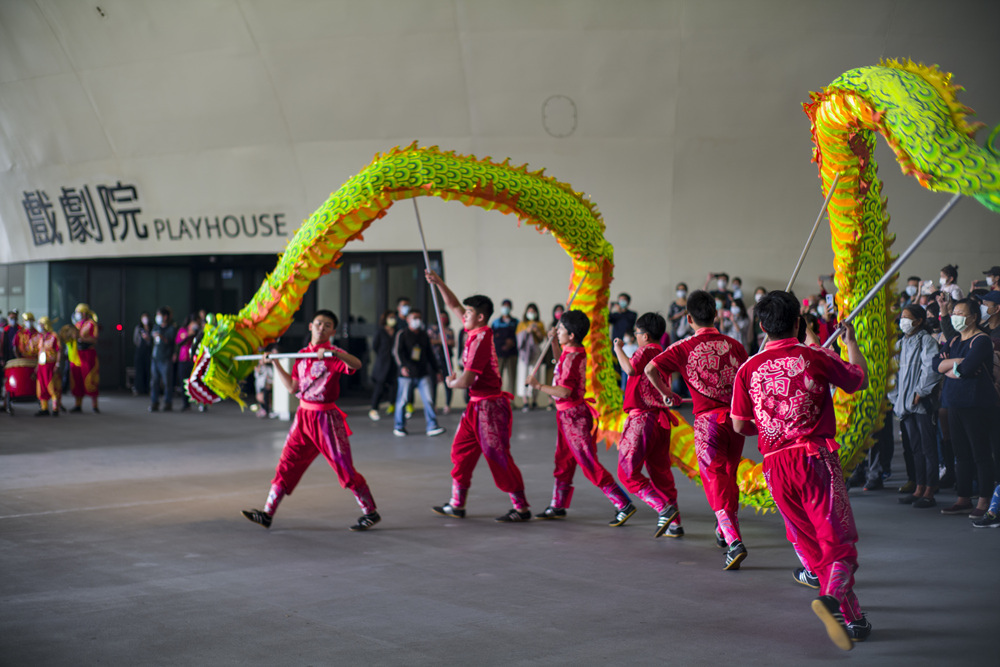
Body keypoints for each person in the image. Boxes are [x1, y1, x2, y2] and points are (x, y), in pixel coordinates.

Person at [730, 290, 871, 650]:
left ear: (762, 326)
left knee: (809, 544)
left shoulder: (748, 368)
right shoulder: (814, 356)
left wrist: (768, 426)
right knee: (838, 544)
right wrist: (851, 342)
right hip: (815, 460)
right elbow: (857, 379)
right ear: (799, 323)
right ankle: (830, 600)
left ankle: (855, 619)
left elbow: (739, 425)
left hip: (776, 466)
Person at [242, 310, 380, 531]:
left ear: (333, 331)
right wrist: (275, 363)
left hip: (326, 420)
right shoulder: (302, 355)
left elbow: (356, 365)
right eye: (318, 323)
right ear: (310, 326)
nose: (321, 328)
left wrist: (334, 354)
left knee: (344, 468)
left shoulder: (333, 355)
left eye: (327, 325)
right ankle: (267, 513)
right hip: (303, 417)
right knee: (287, 463)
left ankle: (370, 512)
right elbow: (292, 388)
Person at [647, 291, 750, 569]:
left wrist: (667, 393)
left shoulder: (683, 347)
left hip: (708, 423)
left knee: (714, 479)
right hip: (735, 421)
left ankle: (733, 540)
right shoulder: (734, 345)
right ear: (715, 315)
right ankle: (723, 530)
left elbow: (650, 369)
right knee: (729, 475)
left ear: (689, 318)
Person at [425, 269, 531, 522]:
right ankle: (457, 504)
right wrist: (439, 282)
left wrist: (451, 384)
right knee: (460, 450)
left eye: (469, 313)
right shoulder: (472, 329)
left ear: (480, 317)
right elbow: (453, 305)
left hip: (491, 407)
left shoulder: (483, 338)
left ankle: (521, 507)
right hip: (475, 406)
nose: (464, 315)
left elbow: (469, 379)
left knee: (497, 454)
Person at [528, 310, 633, 522]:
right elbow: (561, 362)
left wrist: (539, 385)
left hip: (574, 418)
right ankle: (558, 505)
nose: (557, 332)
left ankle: (623, 502)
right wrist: (555, 343)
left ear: (572, 335)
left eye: (561, 330)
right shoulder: (572, 351)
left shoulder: (573, 356)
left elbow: (564, 391)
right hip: (566, 416)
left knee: (587, 462)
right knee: (563, 460)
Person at [614, 312, 683, 537]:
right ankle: (675, 524)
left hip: (642, 419)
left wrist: (618, 349)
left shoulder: (644, 351)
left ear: (644, 335)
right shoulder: (664, 353)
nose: (636, 337)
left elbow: (630, 370)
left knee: (627, 472)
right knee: (661, 473)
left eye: (637, 333)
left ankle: (663, 508)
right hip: (660, 421)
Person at [937, 299, 995, 518]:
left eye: (961, 313)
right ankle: (963, 498)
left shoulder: (981, 340)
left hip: (976, 403)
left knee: (980, 453)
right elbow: (936, 364)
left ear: (973, 317)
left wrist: (949, 367)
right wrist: (956, 364)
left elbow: (968, 369)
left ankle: (984, 499)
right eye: (954, 312)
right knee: (960, 454)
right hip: (954, 403)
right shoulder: (953, 340)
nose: (956, 316)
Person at [889, 305, 942, 508]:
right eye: (902, 317)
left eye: (907, 317)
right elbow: (894, 373)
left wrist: (920, 392)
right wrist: (896, 398)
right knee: (915, 448)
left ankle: (930, 489)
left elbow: (931, 367)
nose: (903, 321)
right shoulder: (902, 343)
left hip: (921, 403)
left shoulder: (926, 341)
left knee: (928, 448)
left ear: (919, 321)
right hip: (905, 405)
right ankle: (919, 487)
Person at [391, 308, 446, 437]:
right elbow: (397, 352)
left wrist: (437, 370)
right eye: (414, 317)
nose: (417, 320)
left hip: (422, 373)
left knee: (428, 399)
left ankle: (432, 425)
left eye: (419, 317)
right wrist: (402, 367)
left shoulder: (423, 335)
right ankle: (399, 426)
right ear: (408, 319)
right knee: (402, 401)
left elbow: (430, 354)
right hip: (406, 374)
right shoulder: (402, 334)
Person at [515, 303, 546, 411]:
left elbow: (542, 338)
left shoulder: (540, 324)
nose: (531, 313)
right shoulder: (522, 324)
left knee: (535, 375)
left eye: (533, 311)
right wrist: (526, 331)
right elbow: (518, 339)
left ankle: (534, 400)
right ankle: (525, 402)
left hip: (535, 351)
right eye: (529, 311)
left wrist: (536, 331)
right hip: (524, 353)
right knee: (523, 375)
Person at [368, 310, 399, 421]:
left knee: (394, 387)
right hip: (382, 363)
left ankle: (392, 406)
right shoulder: (380, 332)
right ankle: (374, 409)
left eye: (394, 317)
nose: (393, 319)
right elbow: (375, 346)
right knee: (379, 387)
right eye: (390, 317)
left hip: (394, 363)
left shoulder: (397, 331)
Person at [69, 303, 100, 413]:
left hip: (88, 354)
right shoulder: (76, 324)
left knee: (90, 378)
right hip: (77, 354)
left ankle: (95, 405)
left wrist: (82, 339)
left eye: (78, 312)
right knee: (76, 378)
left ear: (83, 313)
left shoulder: (92, 324)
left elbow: (94, 340)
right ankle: (78, 405)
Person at [33, 316, 62, 417]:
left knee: (52, 386)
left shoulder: (54, 336)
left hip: (50, 364)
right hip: (41, 365)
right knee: (41, 387)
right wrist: (37, 365)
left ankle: (55, 408)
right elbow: (39, 352)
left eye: (41, 324)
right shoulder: (40, 337)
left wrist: (57, 364)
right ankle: (44, 408)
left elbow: (59, 350)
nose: (39, 326)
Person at [149, 307, 177, 412]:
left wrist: (161, 336)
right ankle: (154, 402)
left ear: (165, 317)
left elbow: (170, 341)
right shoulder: (156, 327)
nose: (158, 317)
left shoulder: (171, 328)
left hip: (165, 358)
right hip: (155, 358)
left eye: (160, 315)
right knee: (154, 382)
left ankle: (168, 403)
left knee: (167, 382)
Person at [491, 299, 519, 394]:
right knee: (498, 377)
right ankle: (497, 397)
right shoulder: (496, 322)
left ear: (511, 308)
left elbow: (519, 336)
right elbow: (493, 338)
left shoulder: (516, 322)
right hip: (499, 354)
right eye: (504, 306)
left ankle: (511, 400)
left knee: (512, 377)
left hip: (512, 353)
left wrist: (511, 343)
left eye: (508, 306)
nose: (505, 308)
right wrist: (504, 343)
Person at [175, 314, 200, 411]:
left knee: (196, 381)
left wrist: (195, 334)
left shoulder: (199, 332)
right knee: (183, 381)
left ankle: (201, 402)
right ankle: (186, 403)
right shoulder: (183, 331)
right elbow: (178, 343)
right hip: (183, 358)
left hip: (195, 359)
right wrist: (188, 336)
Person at [252, 344, 277, 418]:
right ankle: (265, 409)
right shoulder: (260, 368)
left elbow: (273, 378)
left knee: (267, 389)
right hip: (262, 389)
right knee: (262, 394)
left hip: (270, 388)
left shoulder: (270, 368)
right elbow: (258, 376)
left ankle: (268, 410)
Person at [133, 312, 153, 395]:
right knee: (139, 370)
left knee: (148, 370)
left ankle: (148, 388)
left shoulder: (152, 328)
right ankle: (138, 388)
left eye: (146, 317)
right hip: (140, 351)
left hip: (149, 351)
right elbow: (135, 340)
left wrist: (148, 339)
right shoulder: (138, 328)